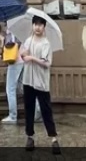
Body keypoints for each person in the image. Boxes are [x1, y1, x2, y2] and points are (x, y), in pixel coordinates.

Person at [20, 13, 60, 153]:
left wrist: (32, 57)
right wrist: (23, 54)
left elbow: (46, 63)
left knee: (46, 110)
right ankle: (30, 137)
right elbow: (22, 55)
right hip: (28, 80)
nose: (37, 27)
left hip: (41, 82)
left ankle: (53, 138)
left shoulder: (46, 43)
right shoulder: (28, 40)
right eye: (35, 24)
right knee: (29, 109)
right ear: (32, 25)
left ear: (44, 27)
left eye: (40, 25)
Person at [1, 24, 23, 124]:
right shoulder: (20, 28)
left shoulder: (11, 30)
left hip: (15, 61)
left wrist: (2, 39)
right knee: (23, 88)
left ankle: (13, 116)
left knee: (10, 89)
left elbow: (10, 46)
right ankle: (38, 110)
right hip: (22, 61)